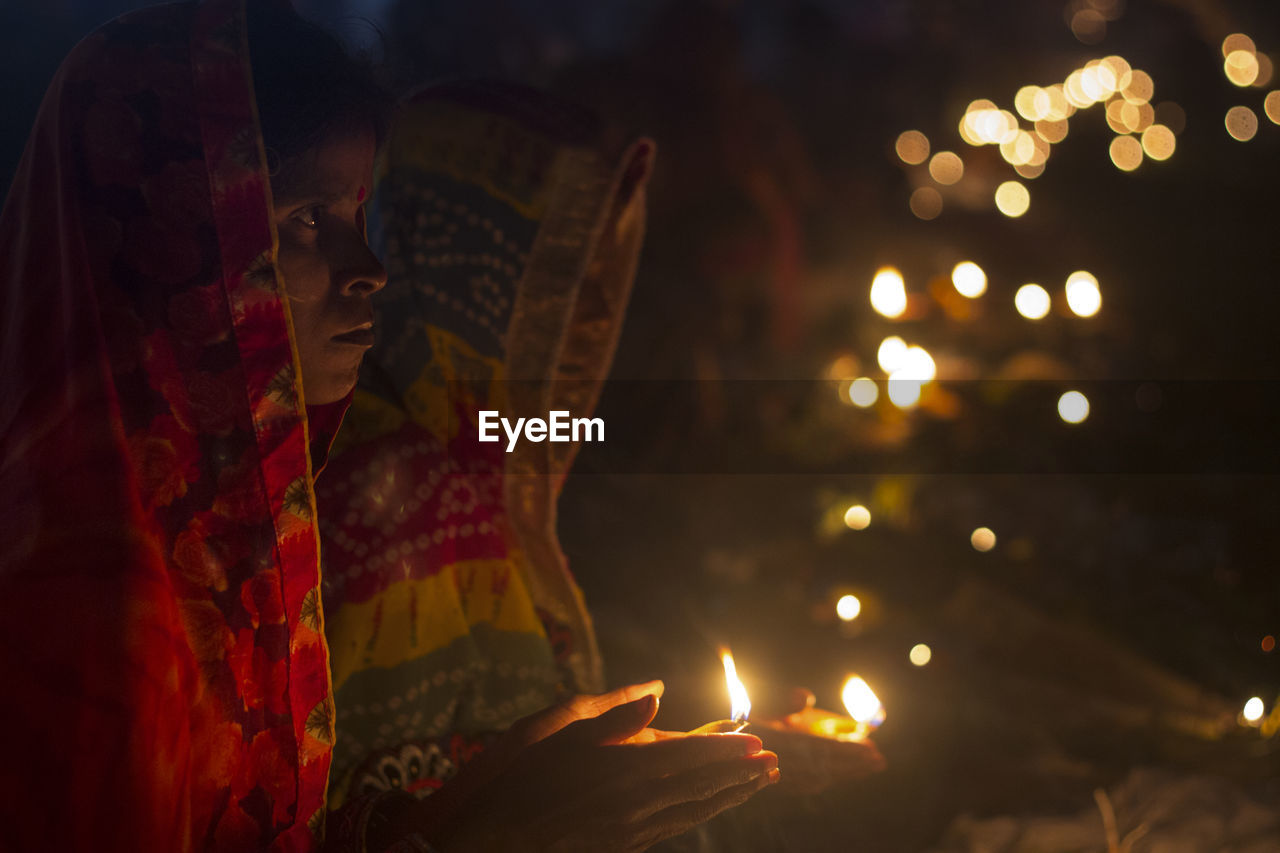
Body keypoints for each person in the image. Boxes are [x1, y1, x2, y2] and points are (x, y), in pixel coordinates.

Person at [0, 2, 777, 849]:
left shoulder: (238, 521)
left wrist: (470, 807)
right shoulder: (92, 611)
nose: (371, 271)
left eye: (358, 218)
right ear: (165, 238)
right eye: (305, 218)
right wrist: (487, 833)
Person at [316, 80, 783, 851]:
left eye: (602, 269)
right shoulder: (381, 475)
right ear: (467, 274)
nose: (590, 310)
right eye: (559, 274)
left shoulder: (507, 459)